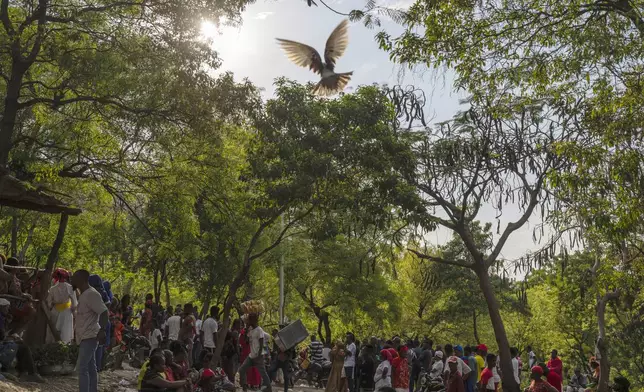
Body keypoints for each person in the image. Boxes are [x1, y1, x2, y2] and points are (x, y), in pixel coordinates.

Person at [72, 269, 109, 392]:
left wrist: (103, 330)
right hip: (84, 336)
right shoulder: (83, 294)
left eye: (74, 278)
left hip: (90, 336)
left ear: (81, 280)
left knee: (81, 367)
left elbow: (104, 312)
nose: (72, 281)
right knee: (90, 367)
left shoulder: (92, 294)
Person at [238, 313, 272, 392]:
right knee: (242, 370)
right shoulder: (251, 330)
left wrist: (259, 355)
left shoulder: (259, 330)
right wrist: (246, 331)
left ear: (254, 320)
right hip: (251, 356)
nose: (249, 321)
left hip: (258, 356)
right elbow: (246, 342)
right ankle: (244, 388)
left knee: (263, 373)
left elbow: (261, 343)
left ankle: (269, 388)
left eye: (250, 320)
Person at [46, 268, 77, 344]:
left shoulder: (52, 289)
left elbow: (48, 302)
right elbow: (74, 302)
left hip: (55, 311)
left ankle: (53, 347)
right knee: (65, 332)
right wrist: (73, 311)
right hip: (66, 311)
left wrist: (51, 305)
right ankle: (64, 347)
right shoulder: (70, 288)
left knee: (53, 331)